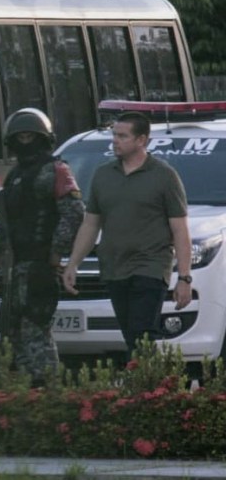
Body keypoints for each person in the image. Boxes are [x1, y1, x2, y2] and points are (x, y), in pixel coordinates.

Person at [63, 111, 192, 359]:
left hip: (150, 266)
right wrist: (73, 263)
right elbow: (91, 224)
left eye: (122, 136)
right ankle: (146, 386)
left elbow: (179, 229)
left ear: (141, 140)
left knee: (142, 331)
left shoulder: (163, 176)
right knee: (131, 335)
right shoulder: (103, 174)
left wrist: (184, 278)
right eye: (114, 135)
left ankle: (148, 389)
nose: (115, 141)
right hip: (114, 267)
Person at [0, 109, 85, 386]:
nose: (25, 141)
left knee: (35, 330)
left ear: (43, 138)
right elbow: (8, 221)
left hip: (40, 266)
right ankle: (28, 393)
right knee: (15, 332)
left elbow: (74, 213)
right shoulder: (15, 175)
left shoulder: (56, 170)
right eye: (20, 137)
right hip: (17, 267)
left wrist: (55, 252)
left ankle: (49, 392)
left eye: (31, 136)